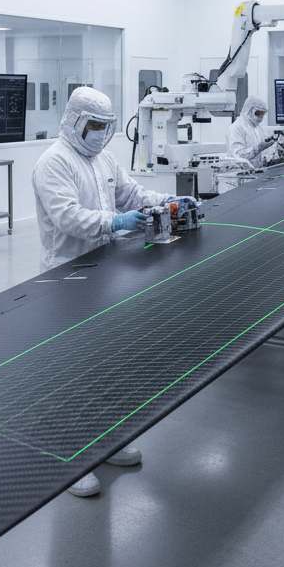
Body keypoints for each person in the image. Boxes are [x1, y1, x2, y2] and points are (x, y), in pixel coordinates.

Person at [33, 86, 195, 498]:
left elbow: (132, 194)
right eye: (94, 125)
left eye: (106, 126)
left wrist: (169, 201)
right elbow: (69, 217)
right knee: (72, 373)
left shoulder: (103, 158)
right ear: (74, 121)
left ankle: (106, 443)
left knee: (105, 364)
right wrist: (116, 222)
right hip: (67, 275)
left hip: (104, 269)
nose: (100, 133)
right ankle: (71, 461)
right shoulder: (53, 162)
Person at [226, 95, 275, 168]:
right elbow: (238, 156)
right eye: (258, 113)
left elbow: (262, 153)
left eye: (263, 113)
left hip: (257, 171)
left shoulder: (257, 128)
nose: (261, 117)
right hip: (241, 172)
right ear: (249, 110)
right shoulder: (236, 128)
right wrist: (258, 148)